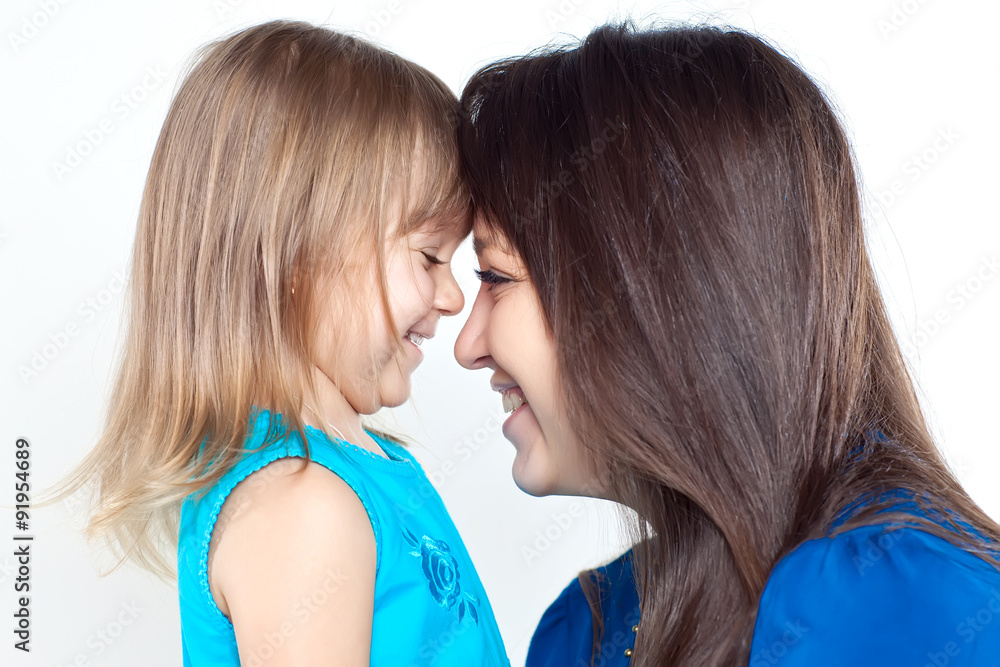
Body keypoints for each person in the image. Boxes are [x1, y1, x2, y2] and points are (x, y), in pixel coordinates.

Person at [454, 22, 1000, 667]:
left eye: (495, 277)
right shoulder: (582, 630)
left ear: (658, 292)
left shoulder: (903, 604)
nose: (467, 346)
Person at [54, 20, 510, 666]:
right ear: (300, 260)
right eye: (430, 256)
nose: (453, 297)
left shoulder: (365, 469)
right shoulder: (302, 505)